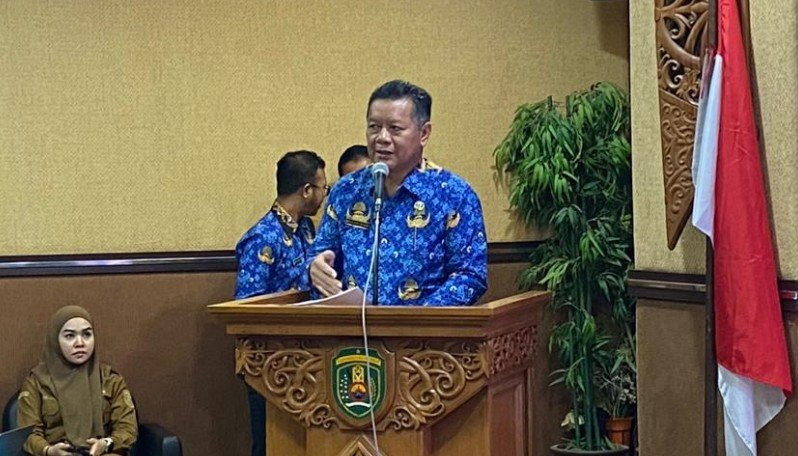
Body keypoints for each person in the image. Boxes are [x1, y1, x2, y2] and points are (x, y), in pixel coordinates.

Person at [309, 80, 487, 306]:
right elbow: (319, 255)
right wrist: (314, 267)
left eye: (395, 128)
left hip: (423, 327)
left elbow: (471, 275)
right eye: (374, 127)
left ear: (424, 133)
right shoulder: (346, 191)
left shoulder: (455, 195)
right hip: (352, 325)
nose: (382, 138)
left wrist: (414, 319)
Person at [233, 149, 327, 456]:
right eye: (323, 188)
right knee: (270, 445)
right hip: (269, 363)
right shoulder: (263, 238)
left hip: (306, 356)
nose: (325, 195)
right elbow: (247, 309)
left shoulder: (305, 229)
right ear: (306, 190)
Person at [17, 305, 137, 456]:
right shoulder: (37, 382)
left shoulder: (110, 379)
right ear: (55, 340)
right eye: (70, 336)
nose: (80, 343)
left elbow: (127, 428)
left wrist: (106, 443)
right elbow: (28, 434)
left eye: (87, 334)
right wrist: (48, 450)